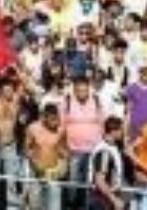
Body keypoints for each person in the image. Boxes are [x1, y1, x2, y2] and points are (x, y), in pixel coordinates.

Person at [63, 75, 104, 208]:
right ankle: (72, 206)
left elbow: (102, 123)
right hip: (73, 150)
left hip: (93, 150)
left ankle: (85, 207)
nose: (82, 93)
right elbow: (62, 126)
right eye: (79, 90)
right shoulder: (67, 101)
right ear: (74, 90)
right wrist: (64, 148)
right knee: (73, 183)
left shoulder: (96, 100)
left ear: (89, 89)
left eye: (85, 90)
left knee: (89, 183)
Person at [24, 103, 68, 210]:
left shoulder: (61, 130)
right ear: (44, 117)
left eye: (57, 118)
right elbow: (26, 149)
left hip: (53, 173)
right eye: (52, 119)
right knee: (35, 205)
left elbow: (64, 150)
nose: (55, 122)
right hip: (36, 172)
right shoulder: (32, 128)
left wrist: (64, 164)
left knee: (54, 206)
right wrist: (35, 164)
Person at [88, 117, 127, 210]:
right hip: (102, 201)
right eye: (121, 130)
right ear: (113, 131)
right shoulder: (104, 152)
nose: (123, 133)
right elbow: (100, 180)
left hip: (106, 200)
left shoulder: (113, 147)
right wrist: (114, 199)